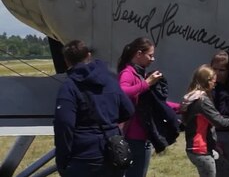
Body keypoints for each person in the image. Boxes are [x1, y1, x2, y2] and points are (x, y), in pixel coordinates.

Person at [54, 40, 134, 177]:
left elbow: (64, 125)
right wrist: (109, 124)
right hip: (113, 152)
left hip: (84, 157)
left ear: (67, 61)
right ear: (89, 55)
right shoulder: (110, 80)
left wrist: (62, 160)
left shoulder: (69, 87)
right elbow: (128, 110)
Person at [180, 64, 229, 177]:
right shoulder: (202, 101)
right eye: (213, 82)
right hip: (200, 150)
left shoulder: (193, 97)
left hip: (203, 148)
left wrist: (213, 145)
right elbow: (220, 122)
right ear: (206, 81)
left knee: (228, 171)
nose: (215, 85)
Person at [117, 37, 164, 177]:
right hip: (133, 137)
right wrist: (147, 83)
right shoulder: (128, 73)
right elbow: (122, 92)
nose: (153, 59)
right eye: (150, 55)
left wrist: (180, 107)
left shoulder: (139, 73)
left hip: (143, 135)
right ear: (138, 54)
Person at [210, 51, 229, 177]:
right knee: (218, 169)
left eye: (222, 70)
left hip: (228, 131)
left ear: (228, 70)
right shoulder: (210, 88)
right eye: (214, 69)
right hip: (215, 132)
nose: (217, 73)